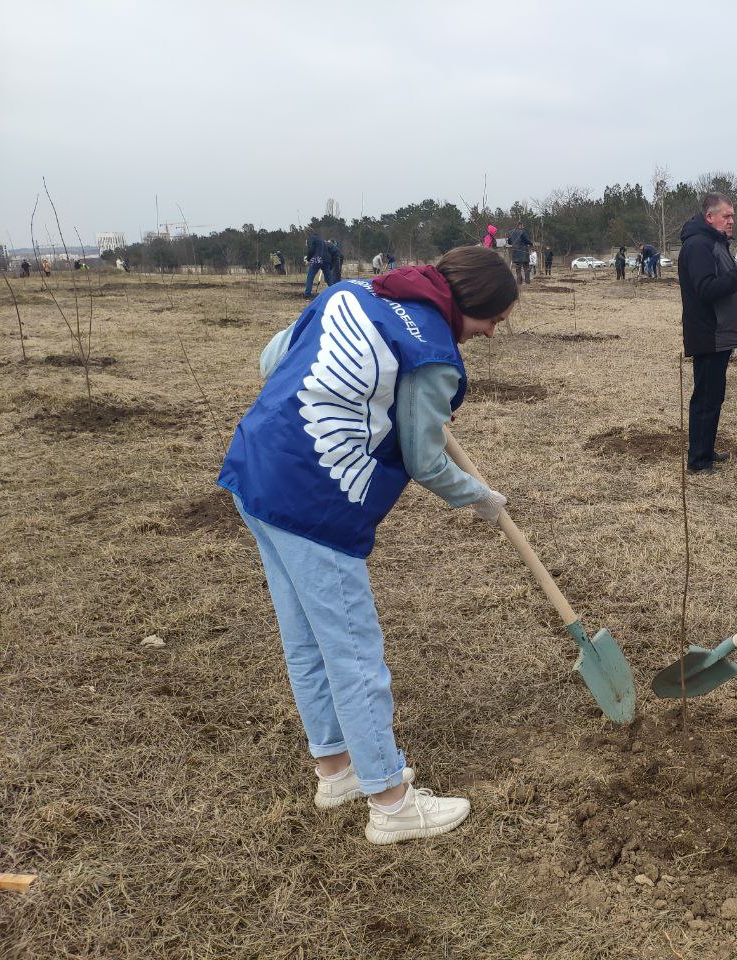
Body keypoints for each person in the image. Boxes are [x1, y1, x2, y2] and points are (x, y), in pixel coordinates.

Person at [217, 245, 519, 844]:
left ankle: (335, 770)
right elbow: (424, 458)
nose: (488, 334)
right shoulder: (434, 356)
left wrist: (375, 392)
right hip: (313, 502)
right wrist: (480, 497)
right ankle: (391, 801)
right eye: (492, 321)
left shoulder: (356, 291)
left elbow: (272, 356)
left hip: (256, 472)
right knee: (353, 649)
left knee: (305, 634)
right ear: (471, 306)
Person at [678, 193, 737, 474]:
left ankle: (705, 450)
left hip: (719, 335)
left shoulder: (714, 244)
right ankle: (698, 461)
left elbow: (721, 281)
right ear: (709, 217)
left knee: (713, 396)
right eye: (726, 216)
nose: (731, 221)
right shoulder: (699, 246)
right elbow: (707, 288)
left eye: (733, 216)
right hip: (709, 335)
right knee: (705, 397)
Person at [304, 230, 330, 298]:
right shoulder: (321, 239)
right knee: (328, 278)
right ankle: (334, 292)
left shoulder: (310, 238)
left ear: (307, 234)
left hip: (317, 259)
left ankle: (307, 294)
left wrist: (308, 259)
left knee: (310, 276)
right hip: (326, 259)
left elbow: (311, 250)